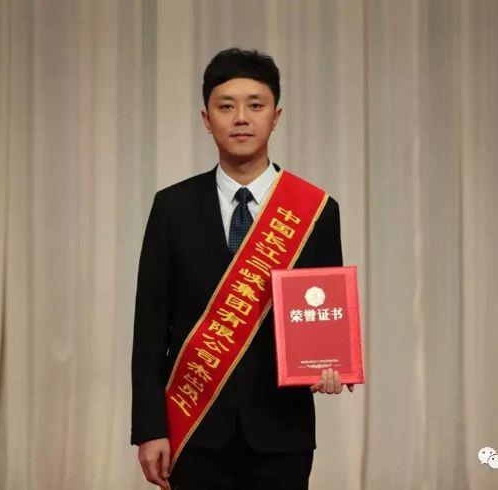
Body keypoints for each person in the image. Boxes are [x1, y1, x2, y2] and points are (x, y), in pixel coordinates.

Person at [131, 47, 353, 490]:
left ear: (276, 116)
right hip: (195, 427)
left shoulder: (315, 210)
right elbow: (150, 328)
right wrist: (150, 428)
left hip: (281, 431)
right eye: (226, 106)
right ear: (206, 118)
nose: (241, 119)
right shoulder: (172, 208)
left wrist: (331, 364)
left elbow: (322, 309)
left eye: (255, 105)